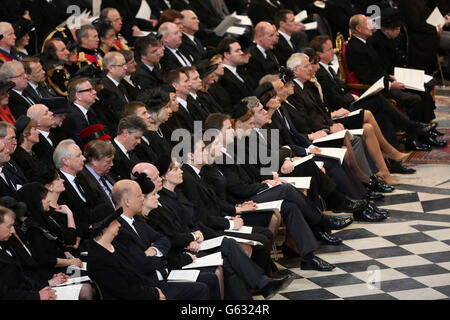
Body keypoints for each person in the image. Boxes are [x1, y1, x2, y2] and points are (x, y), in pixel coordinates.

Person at [142, 158, 296, 299]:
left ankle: (262, 285)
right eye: (174, 169)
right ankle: (263, 284)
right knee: (228, 246)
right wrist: (193, 237)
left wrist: (198, 234)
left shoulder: (177, 194)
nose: (181, 171)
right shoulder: (157, 203)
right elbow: (170, 235)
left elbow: (195, 220)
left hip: (198, 238)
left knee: (229, 259)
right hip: (184, 250)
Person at [346, 14, 441, 149]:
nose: (372, 26)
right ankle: (411, 138)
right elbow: (366, 77)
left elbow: (378, 68)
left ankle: (425, 134)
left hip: (384, 82)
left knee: (423, 91)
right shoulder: (355, 48)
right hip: (375, 89)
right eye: (368, 24)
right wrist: (390, 85)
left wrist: (389, 76)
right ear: (358, 28)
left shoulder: (365, 42)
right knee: (414, 99)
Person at [111, 179, 215, 300]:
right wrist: (160, 256)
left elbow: (164, 239)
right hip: (148, 284)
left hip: (162, 273)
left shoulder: (137, 220)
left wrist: (154, 250)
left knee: (211, 279)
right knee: (201, 288)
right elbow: (142, 263)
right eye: (139, 196)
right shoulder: (118, 228)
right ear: (127, 201)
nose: (142, 199)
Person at [17, 182, 82, 274]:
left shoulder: (44, 217)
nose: (48, 200)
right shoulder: (31, 227)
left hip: (62, 264)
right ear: (34, 202)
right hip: (50, 273)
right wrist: (70, 261)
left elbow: (64, 241)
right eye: (43, 198)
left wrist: (65, 254)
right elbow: (45, 259)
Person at [0, 205, 57, 300]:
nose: (13, 230)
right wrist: (37, 296)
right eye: (9, 226)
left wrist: (47, 283)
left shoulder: (4, 244)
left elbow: (21, 277)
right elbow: (4, 293)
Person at [131, 90, 174, 161]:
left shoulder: (163, 128)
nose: (170, 111)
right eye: (166, 107)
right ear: (154, 111)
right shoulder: (144, 136)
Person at [11, 115, 54, 182]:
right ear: (25, 133)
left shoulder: (37, 150)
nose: (38, 132)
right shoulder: (19, 158)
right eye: (34, 129)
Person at [96, 52, 131, 133]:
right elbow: (116, 116)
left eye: (125, 64)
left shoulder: (120, 84)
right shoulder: (105, 89)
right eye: (122, 65)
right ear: (110, 68)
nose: (125, 67)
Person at [61, 77, 100, 148]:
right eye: (89, 90)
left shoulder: (90, 110)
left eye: (93, 89)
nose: (94, 92)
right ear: (78, 96)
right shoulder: (73, 117)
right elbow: (85, 144)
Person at [110, 115, 147, 181]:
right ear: (125, 133)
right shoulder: (111, 154)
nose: (139, 142)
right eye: (136, 138)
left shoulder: (133, 152)